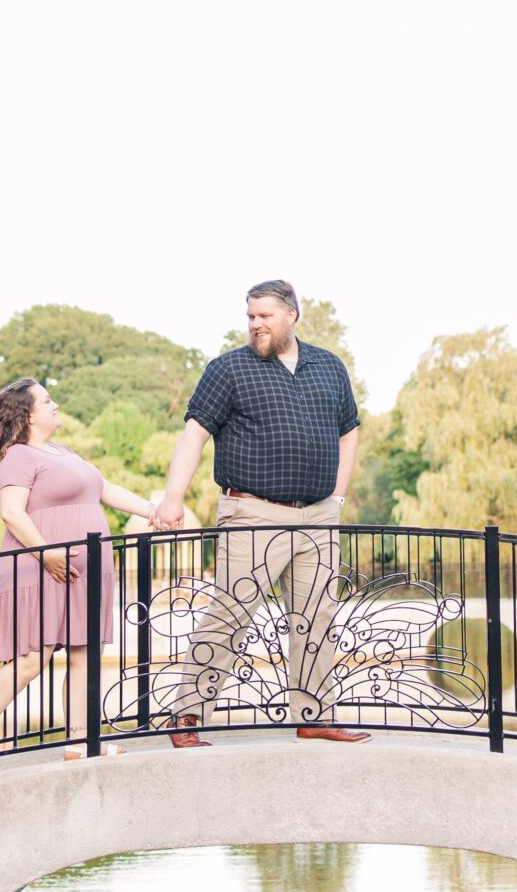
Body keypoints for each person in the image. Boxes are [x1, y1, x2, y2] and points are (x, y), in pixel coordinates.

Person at [149, 279, 370, 745]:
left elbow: (348, 431)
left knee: (316, 618)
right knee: (230, 613)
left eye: (265, 316)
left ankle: (314, 715)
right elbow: (195, 433)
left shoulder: (329, 367)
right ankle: (187, 715)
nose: (255, 324)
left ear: (292, 315)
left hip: (318, 517)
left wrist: (338, 496)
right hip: (253, 514)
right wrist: (173, 497)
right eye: (250, 316)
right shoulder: (228, 368)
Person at [0, 377, 162, 777]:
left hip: (82, 571)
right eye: (47, 401)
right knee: (32, 659)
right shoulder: (18, 457)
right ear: (27, 414)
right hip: (39, 567)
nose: (55, 405)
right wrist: (47, 555)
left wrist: (155, 511)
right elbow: (12, 512)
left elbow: (106, 489)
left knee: (84, 653)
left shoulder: (62, 452)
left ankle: (82, 742)